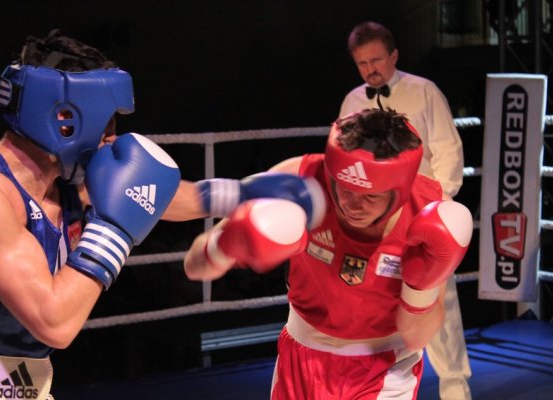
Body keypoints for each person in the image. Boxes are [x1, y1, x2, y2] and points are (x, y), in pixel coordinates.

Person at [184, 108, 473, 399]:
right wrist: (223, 247)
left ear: (400, 189)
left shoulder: (429, 210)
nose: (351, 204)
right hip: (300, 357)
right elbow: (194, 266)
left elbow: (417, 337)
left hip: (385, 369)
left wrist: (420, 287)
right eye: (343, 187)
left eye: (370, 196)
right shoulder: (299, 182)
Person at [0, 30, 180, 399]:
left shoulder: (68, 186)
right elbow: (54, 323)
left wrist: (237, 195)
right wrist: (113, 232)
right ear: (65, 118)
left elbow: (165, 197)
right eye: (107, 122)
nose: (112, 138)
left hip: (23, 382)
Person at [340, 21, 471, 400]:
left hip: (422, 212)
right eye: (362, 63)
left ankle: (455, 391)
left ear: (394, 55)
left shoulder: (423, 91)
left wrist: (438, 206)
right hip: (371, 220)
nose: (370, 69)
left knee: (439, 303)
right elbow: (342, 160)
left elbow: (448, 150)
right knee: (371, 307)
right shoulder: (352, 102)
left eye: (376, 60)